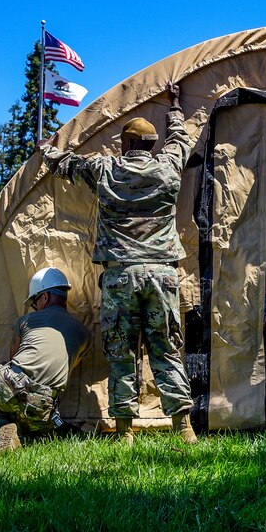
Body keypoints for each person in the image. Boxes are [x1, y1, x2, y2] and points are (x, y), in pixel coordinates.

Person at [39, 82, 198, 444]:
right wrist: (175, 106)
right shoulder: (169, 169)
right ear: (151, 145)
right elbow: (180, 139)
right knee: (167, 347)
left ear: (125, 144)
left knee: (122, 351)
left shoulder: (105, 169)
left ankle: (125, 431)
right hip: (161, 273)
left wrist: (46, 151)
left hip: (120, 275)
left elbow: (66, 166)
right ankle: (183, 428)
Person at [0, 267, 90, 452]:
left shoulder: (26, 320)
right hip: (43, 401)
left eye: (35, 302)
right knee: (38, 434)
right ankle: (19, 434)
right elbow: (70, 365)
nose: (35, 307)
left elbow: (12, 358)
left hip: (10, 385)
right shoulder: (84, 333)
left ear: (44, 297)